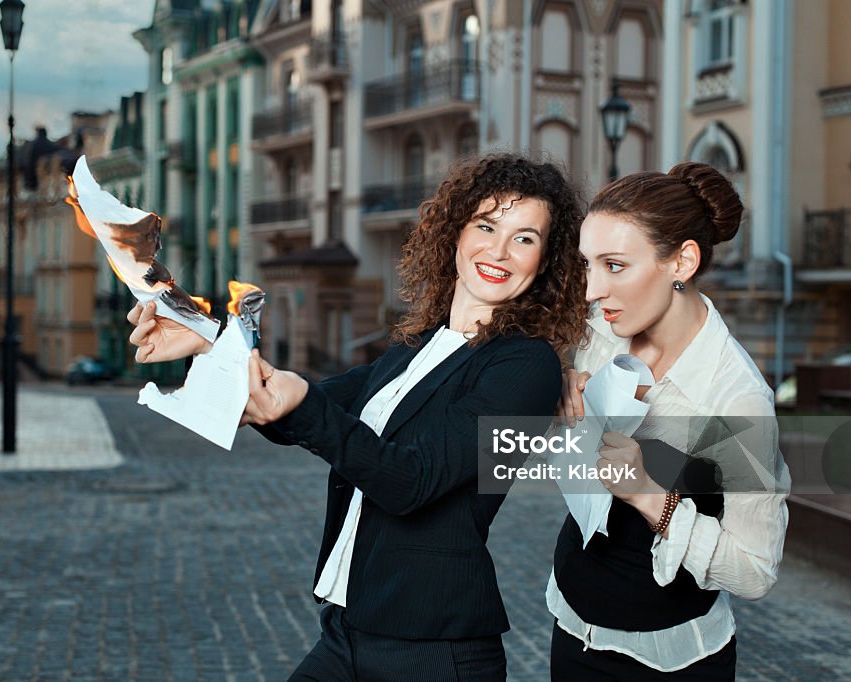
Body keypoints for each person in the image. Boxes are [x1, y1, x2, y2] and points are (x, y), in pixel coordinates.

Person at [127, 154, 588, 681]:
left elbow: (412, 481)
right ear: (457, 232)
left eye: (525, 238)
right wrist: (203, 339)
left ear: (546, 259)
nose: (499, 251)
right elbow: (292, 409)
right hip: (349, 630)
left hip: (436, 652)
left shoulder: (528, 367)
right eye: (486, 225)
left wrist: (301, 405)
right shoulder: (412, 350)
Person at [550, 162, 791, 680]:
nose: (592, 290)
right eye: (588, 265)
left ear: (681, 261)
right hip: (569, 630)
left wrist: (647, 495)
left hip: (669, 662)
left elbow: (755, 571)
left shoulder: (737, 399)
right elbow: (578, 463)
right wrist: (565, 392)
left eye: (614, 265)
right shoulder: (601, 333)